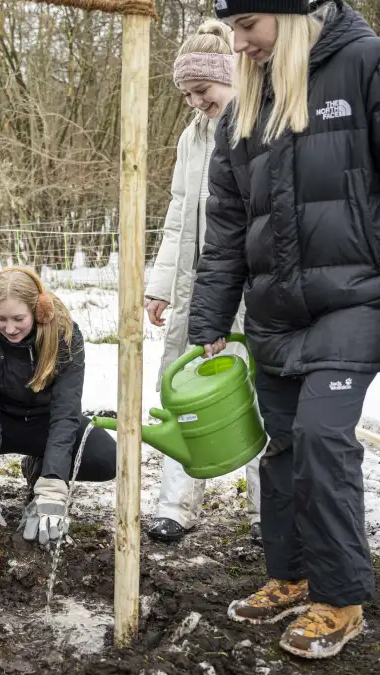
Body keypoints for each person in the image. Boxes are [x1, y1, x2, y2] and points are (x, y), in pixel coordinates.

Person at [191, 0, 380, 659]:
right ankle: (291, 575)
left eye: (248, 26)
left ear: (292, 13)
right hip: (275, 309)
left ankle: (340, 598)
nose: (238, 44)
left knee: (322, 437)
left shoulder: (374, 69)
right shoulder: (241, 113)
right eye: (233, 29)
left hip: (360, 297)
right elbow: (227, 231)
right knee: (282, 446)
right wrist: (209, 318)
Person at [144, 19, 261, 546]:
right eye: (187, 94)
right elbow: (177, 214)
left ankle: (268, 512)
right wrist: (162, 284)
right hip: (198, 285)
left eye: (202, 90)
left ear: (231, 75)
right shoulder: (191, 138)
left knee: (255, 391)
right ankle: (176, 504)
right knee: (185, 388)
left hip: (252, 285)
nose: (194, 102)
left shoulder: (260, 126)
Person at [0, 267, 116, 546]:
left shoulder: (65, 335)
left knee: (106, 457)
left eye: (18, 319)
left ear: (39, 310)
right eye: (1, 318)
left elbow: (66, 411)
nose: (10, 328)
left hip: (45, 424)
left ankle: (39, 470)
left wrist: (54, 483)